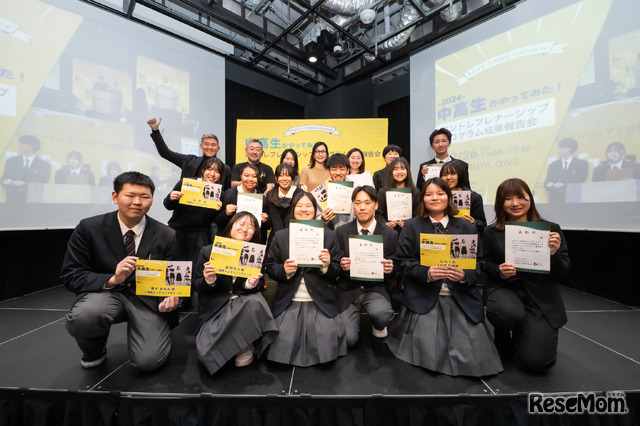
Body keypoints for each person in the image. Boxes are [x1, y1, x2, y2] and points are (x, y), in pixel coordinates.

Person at [61, 172, 179, 371]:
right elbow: (72, 274)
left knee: (148, 362)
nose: (137, 202)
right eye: (130, 195)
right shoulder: (89, 228)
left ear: (152, 200)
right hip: (107, 293)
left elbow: (174, 278)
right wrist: (113, 279)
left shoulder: (166, 234)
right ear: (115, 197)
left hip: (148, 299)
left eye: (144, 196)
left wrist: (172, 296)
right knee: (85, 316)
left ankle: (155, 334)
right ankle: (94, 349)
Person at [386, 177, 502, 377]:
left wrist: (465, 276)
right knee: (426, 350)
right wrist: (426, 273)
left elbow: (479, 263)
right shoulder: (412, 226)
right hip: (425, 293)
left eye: (440, 193)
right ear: (422, 199)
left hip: (460, 294)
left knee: (474, 354)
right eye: (429, 194)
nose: (435, 198)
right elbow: (403, 262)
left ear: (449, 197)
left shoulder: (466, 227)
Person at [482, 178, 570, 373]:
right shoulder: (491, 231)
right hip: (504, 289)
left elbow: (564, 272)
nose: (515, 203)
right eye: (508, 199)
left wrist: (553, 254)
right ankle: (503, 332)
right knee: (506, 314)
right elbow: (485, 263)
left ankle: (525, 333)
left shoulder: (550, 230)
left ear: (530, 198)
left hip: (539, 297)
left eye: (521, 197)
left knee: (537, 362)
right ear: (500, 203)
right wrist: (499, 271)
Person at [264, 192, 346, 366]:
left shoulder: (329, 235)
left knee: (327, 343)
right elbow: (270, 266)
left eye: (308, 206)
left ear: (315, 210)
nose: (304, 209)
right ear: (293, 209)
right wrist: (284, 270)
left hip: (319, 298)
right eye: (299, 206)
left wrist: (326, 266)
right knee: (280, 343)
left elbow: (337, 269)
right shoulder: (281, 236)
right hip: (289, 297)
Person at [193, 212, 277, 374]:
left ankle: (245, 344)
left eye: (251, 227)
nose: (245, 229)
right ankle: (236, 342)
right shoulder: (208, 251)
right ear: (231, 225)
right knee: (206, 355)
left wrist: (249, 284)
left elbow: (261, 284)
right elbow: (196, 284)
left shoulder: (256, 254)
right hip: (216, 307)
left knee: (255, 301)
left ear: (255, 233)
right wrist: (209, 280)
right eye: (241, 223)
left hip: (242, 304)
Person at [336, 186, 397, 344]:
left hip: (376, 288)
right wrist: (342, 266)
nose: (362, 207)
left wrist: (391, 268)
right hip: (349, 289)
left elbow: (397, 265)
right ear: (353, 206)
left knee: (381, 314)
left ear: (376, 205)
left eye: (367, 202)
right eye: (357, 203)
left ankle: (378, 325)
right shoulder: (341, 232)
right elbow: (335, 264)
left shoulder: (390, 234)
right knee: (348, 340)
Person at [164, 157, 225, 267]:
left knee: (197, 268)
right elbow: (168, 206)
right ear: (203, 170)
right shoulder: (187, 183)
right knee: (174, 266)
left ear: (220, 175)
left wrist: (216, 211)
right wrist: (171, 198)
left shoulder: (218, 193)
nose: (212, 174)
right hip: (177, 231)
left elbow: (208, 220)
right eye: (209, 169)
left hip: (199, 235)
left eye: (217, 171)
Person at [147, 117, 232, 189]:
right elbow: (165, 153)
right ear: (201, 146)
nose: (210, 147)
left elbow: (227, 193)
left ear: (218, 148)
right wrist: (155, 131)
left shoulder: (226, 169)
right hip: (186, 202)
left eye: (213, 145)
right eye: (206, 144)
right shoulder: (188, 160)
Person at [216, 164, 268, 236]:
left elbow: (266, 227)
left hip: (252, 240)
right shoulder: (228, 194)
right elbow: (217, 221)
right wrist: (226, 213)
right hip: (229, 239)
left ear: (258, 178)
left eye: (254, 176)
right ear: (241, 176)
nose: (250, 179)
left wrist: (265, 221)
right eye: (246, 175)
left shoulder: (262, 199)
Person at [440, 160, 487, 236]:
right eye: (445, 174)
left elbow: (483, 224)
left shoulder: (473, 197)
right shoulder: (438, 196)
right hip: (442, 236)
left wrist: (473, 222)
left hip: (465, 236)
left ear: (460, 175)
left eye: (453, 174)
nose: (448, 177)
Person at [375, 157, 421, 233]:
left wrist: (409, 224)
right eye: (395, 169)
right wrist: (385, 224)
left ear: (407, 171)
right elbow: (378, 214)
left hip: (409, 232)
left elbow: (418, 214)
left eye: (403, 168)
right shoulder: (383, 192)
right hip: (389, 232)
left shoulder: (415, 192)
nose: (399, 172)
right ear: (391, 172)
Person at [1, 135, 51, 202]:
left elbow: (42, 181)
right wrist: (5, 181)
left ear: (32, 146)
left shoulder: (44, 165)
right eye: (19, 143)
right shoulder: (11, 161)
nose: (19, 146)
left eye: (23, 144)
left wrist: (25, 183)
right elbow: (4, 177)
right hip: (13, 200)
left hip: (32, 201)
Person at [543, 138, 589, 203]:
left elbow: (580, 180)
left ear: (570, 148)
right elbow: (548, 180)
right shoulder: (553, 165)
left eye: (561, 147)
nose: (559, 150)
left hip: (573, 200)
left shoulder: (582, 164)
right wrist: (548, 184)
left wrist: (564, 185)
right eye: (559, 148)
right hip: (555, 201)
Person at [265, 163, 304, 234]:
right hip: (276, 236)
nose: (284, 179)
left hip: (296, 234)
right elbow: (270, 223)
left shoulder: (300, 194)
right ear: (276, 178)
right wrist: (265, 219)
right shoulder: (270, 195)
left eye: (288, 175)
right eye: (281, 175)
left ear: (293, 178)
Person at [321, 153, 352, 230]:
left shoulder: (356, 188)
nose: (338, 173)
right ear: (329, 171)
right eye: (334, 169)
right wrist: (323, 218)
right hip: (330, 231)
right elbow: (316, 217)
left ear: (348, 170)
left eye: (342, 169)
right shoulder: (322, 190)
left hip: (351, 231)